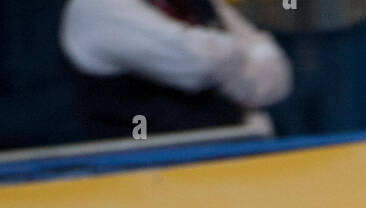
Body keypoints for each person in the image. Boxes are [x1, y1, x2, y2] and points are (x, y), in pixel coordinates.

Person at [59, 0, 293, 141]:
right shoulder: (97, 8)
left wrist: (220, 53)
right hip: (141, 175)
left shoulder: (198, 3)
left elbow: (275, 77)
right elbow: (200, 64)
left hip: (233, 160)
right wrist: (241, 53)